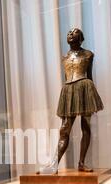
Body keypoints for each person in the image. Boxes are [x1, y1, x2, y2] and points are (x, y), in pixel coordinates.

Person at [40, 28, 104, 174]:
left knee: (85, 126)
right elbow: (66, 76)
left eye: (75, 32)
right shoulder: (65, 57)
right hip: (69, 89)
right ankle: (54, 164)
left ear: (81, 38)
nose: (70, 34)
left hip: (84, 88)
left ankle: (81, 163)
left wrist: (91, 96)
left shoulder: (88, 54)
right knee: (64, 129)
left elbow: (89, 76)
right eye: (69, 32)